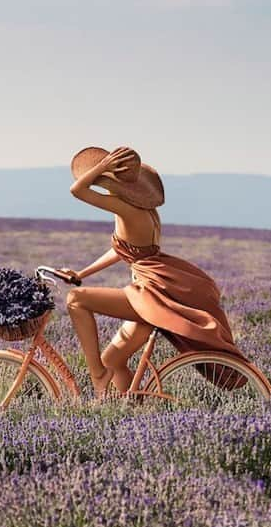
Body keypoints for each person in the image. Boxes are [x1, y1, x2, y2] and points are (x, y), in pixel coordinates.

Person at [58, 144, 248, 399]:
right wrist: (82, 273)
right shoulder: (145, 211)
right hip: (155, 286)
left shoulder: (126, 209)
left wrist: (101, 167)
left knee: (76, 300)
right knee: (113, 359)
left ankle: (97, 375)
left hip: (150, 291)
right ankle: (133, 412)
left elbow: (77, 190)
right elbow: (124, 250)